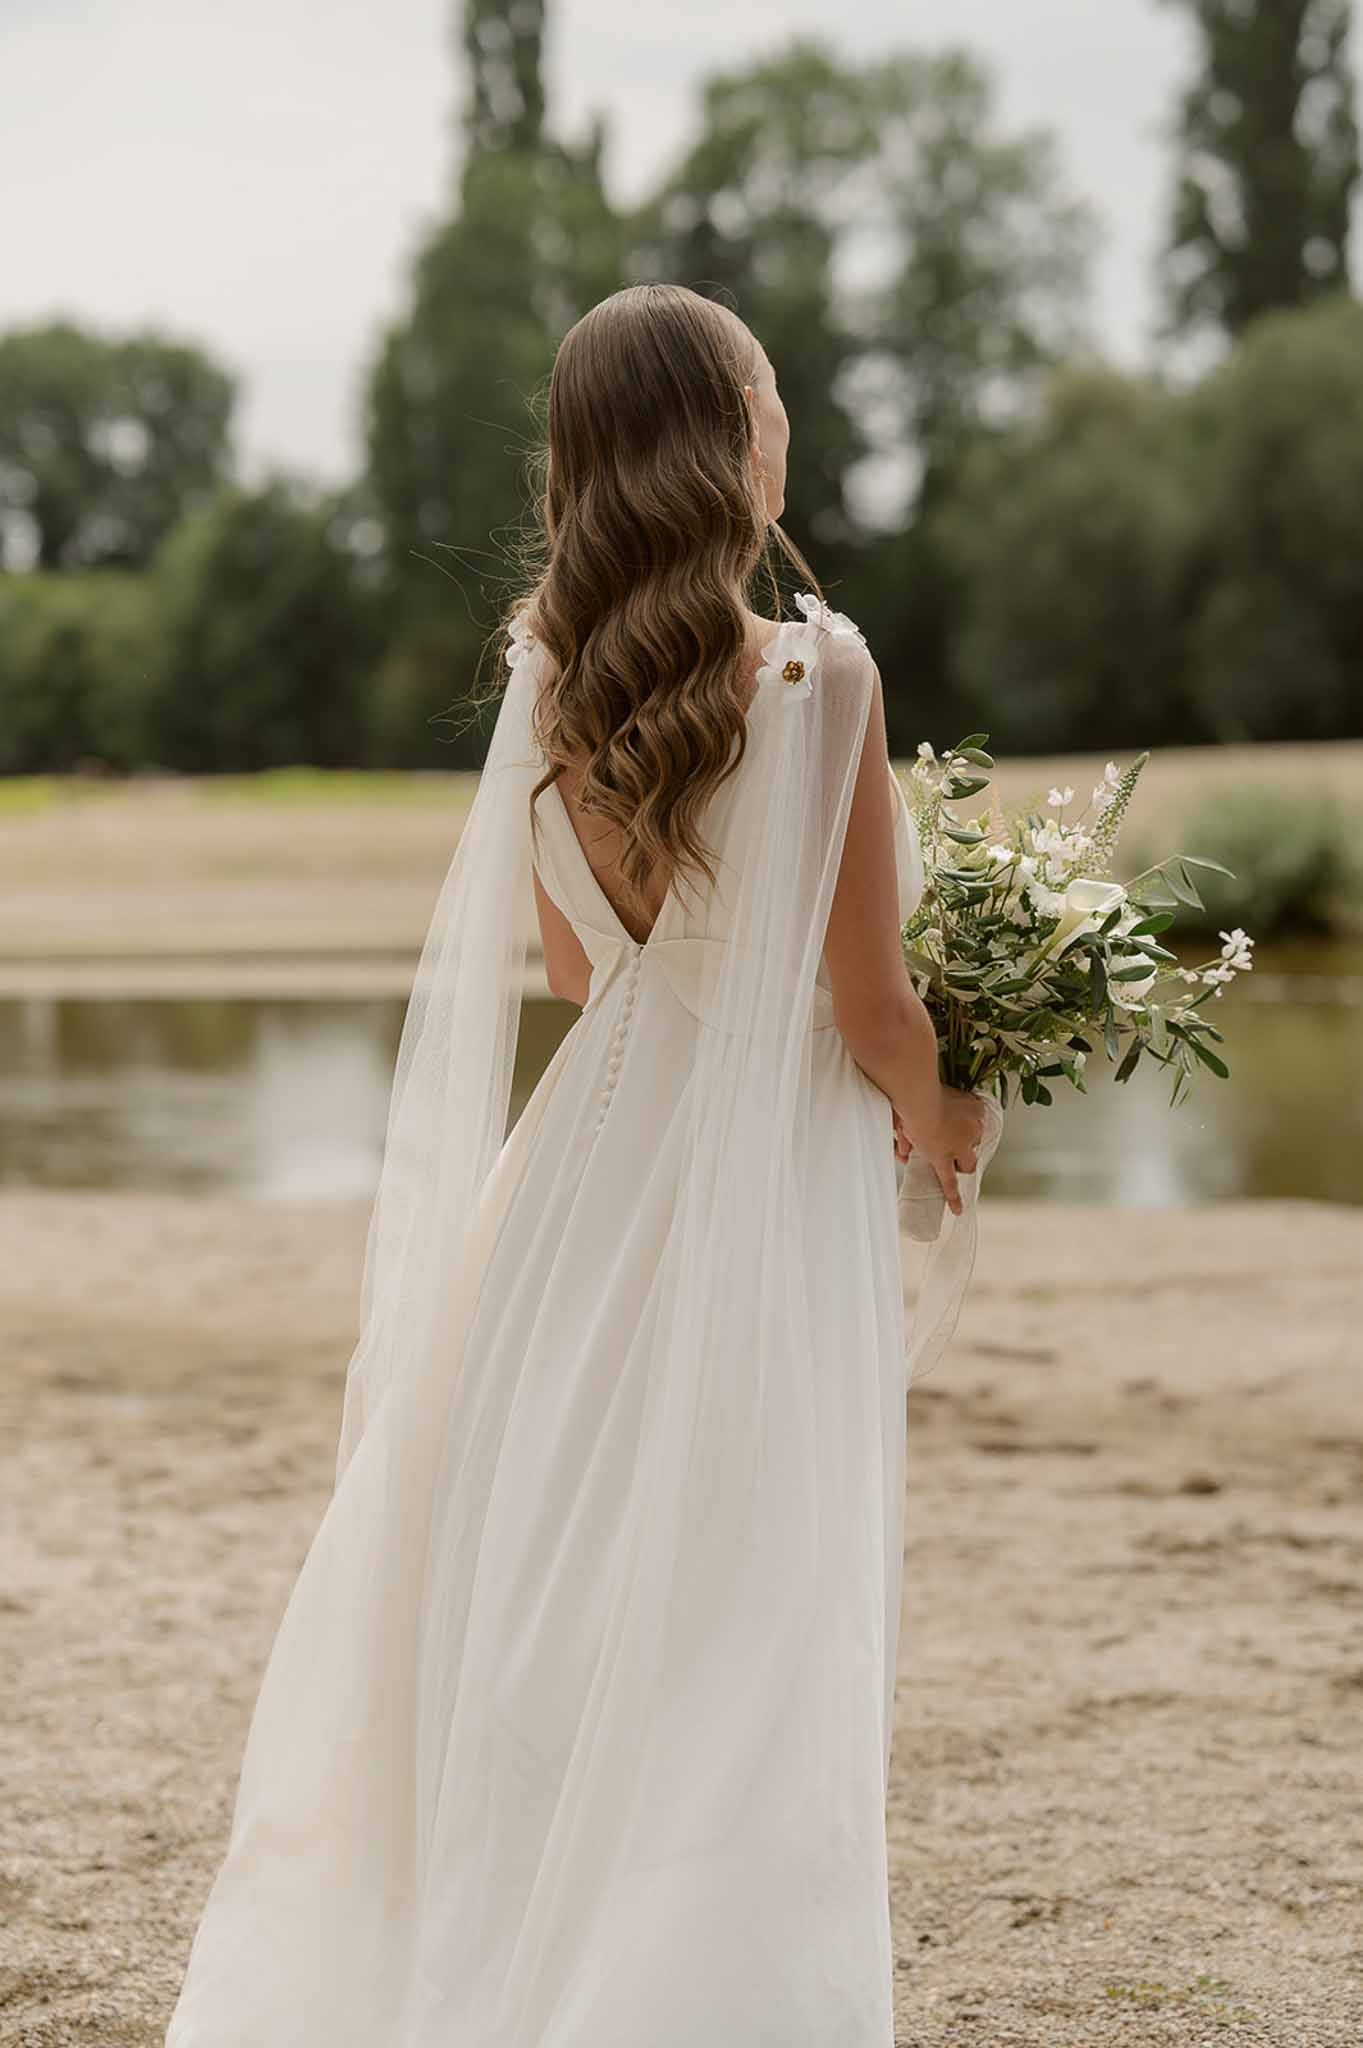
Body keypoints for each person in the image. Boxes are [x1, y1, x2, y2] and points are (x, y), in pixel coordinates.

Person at [163, 281, 986, 2047]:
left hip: (579, 1185)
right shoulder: (819, 676)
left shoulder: (548, 677)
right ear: (729, 441)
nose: (781, 427)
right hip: (752, 1190)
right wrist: (956, 1109)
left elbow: (568, 974)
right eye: (765, 398)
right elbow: (866, 1005)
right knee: (746, 1599)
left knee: (553, 1569)